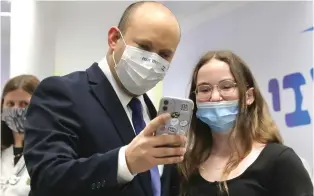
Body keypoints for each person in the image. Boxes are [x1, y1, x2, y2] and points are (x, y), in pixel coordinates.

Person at [23, 1, 186, 196]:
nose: (152, 62)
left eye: (164, 54)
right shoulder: (62, 92)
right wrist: (125, 162)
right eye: (144, 46)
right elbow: (47, 178)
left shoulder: (149, 111)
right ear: (114, 38)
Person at [169, 50, 313, 196]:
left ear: (249, 96)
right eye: (204, 89)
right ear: (195, 99)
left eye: (226, 86)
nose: (215, 97)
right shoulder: (184, 167)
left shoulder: (281, 161)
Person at [0, 75, 40, 196]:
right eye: (10, 104)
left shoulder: (48, 153)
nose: (16, 110)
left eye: (24, 104)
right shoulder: (3, 152)